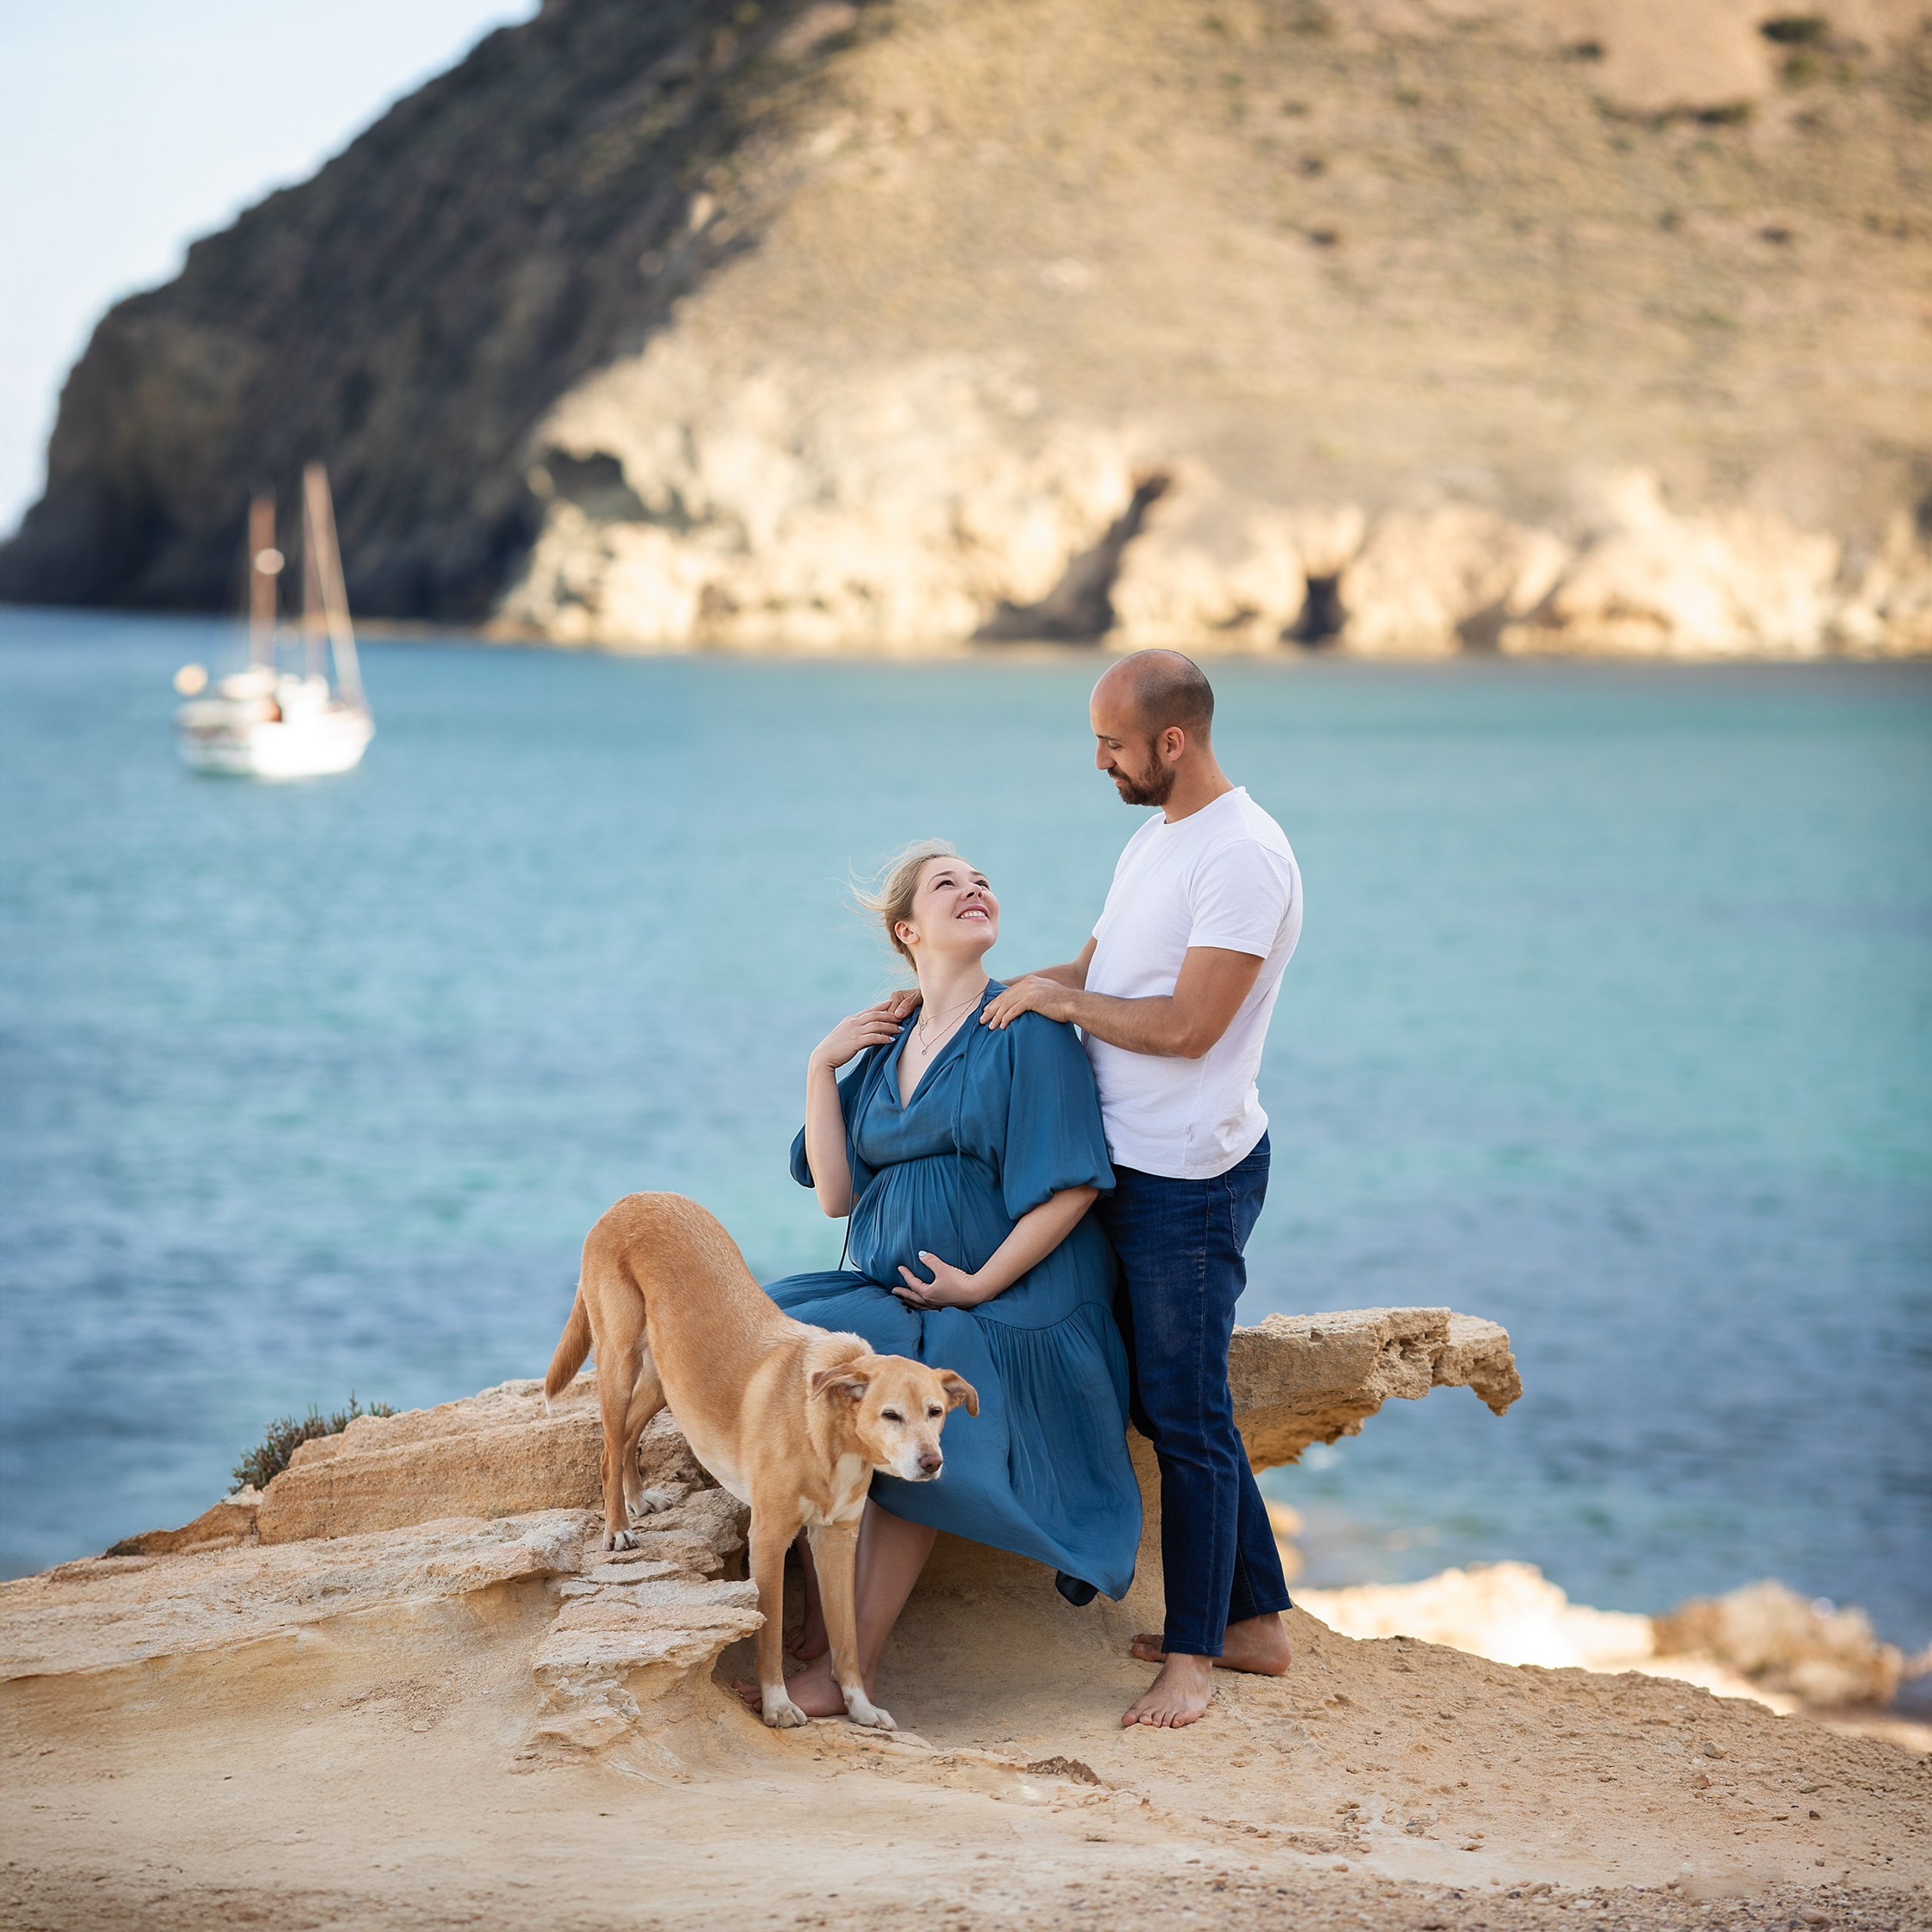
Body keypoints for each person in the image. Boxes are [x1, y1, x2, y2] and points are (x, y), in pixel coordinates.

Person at [982, 649, 1302, 1728]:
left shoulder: (1246, 857)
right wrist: (980, 996)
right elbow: (1096, 972)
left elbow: (1186, 1026)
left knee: (1187, 1408)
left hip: (1190, 1178)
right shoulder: (1153, 836)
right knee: (1146, 1394)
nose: (1099, 761)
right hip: (1123, 1163)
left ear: (1173, 742)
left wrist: (1066, 1011)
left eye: (1112, 744)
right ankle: (1252, 1618)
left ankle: (1199, 1660)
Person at [753, 842, 1143, 1721]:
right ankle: (821, 1625)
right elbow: (835, 1195)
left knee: (908, 1413)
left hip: (1018, 1300)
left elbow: (1075, 1184)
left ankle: (852, 1671)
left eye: (982, 880)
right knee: (784, 1350)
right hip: (902, 1293)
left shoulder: (1026, 1024)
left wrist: (975, 1285)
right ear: (907, 930)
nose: (974, 888)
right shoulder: (885, 1046)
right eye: (947, 884)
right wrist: (821, 1065)